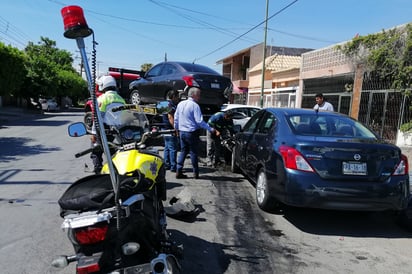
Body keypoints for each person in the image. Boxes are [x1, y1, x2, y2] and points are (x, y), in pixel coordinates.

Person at [174, 87, 218, 179]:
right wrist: (210, 129)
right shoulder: (195, 106)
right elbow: (199, 121)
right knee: (193, 152)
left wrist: (177, 129)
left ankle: (178, 170)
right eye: (198, 95)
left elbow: (176, 118)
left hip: (182, 131)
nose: (199, 97)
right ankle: (195, 173)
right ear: (194, 95)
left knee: (183, 151)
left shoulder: (180, 104)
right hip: (191, 132)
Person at [90, 75, 126, 173]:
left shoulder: (102, 99)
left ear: (103, 86)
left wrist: (93, 133)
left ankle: (98, 169)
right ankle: (115, 169)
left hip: (104, 129)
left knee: (96, 149)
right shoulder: (121, 99)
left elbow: (98, 118)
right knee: (113, 151)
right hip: (119, 129)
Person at [162, 90, 180, 172]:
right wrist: (175, 128)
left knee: (167, 147)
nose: (178, 98)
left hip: (164, 128)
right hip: (170, 129)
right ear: (173, 97)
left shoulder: (163, 103)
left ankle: (166, 164)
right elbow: (170, 117)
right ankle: (173, 166)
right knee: (173, 148)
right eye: (177, 96)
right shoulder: (170, 105)